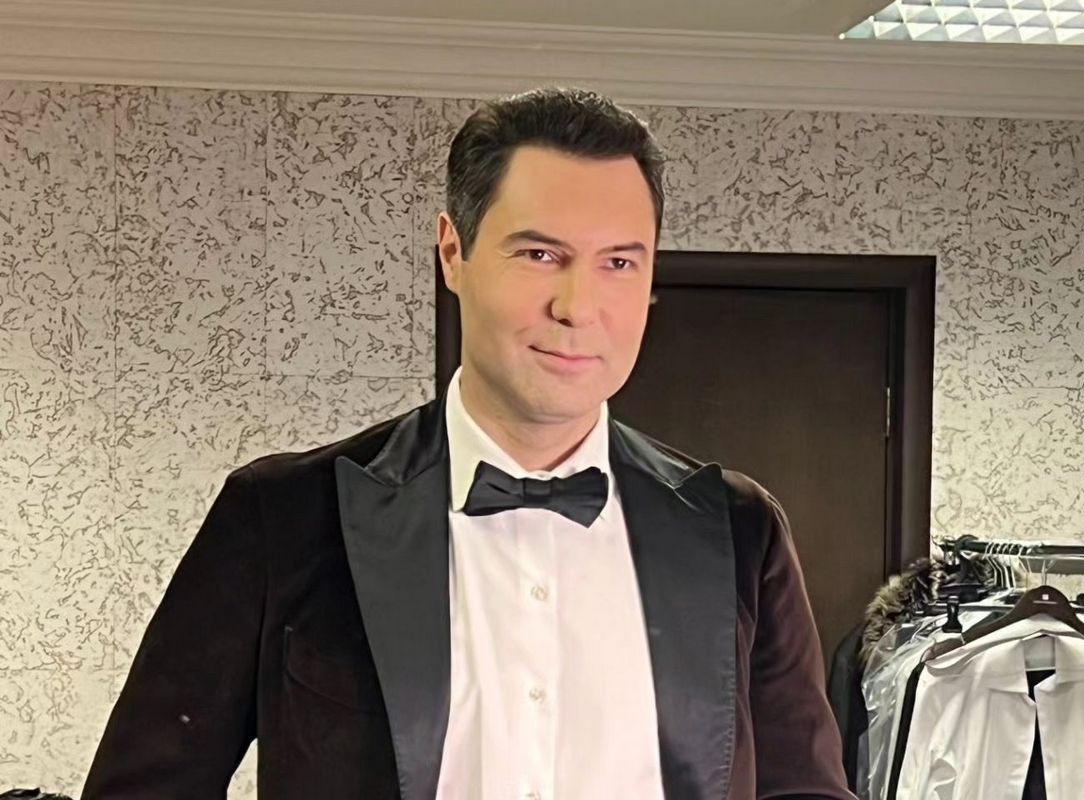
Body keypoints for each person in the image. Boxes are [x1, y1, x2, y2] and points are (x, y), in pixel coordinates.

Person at [82, 86, 852, 800]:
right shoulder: (280, 516)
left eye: (619, 262)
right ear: (454, 252)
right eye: (540, 255)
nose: (578, 306)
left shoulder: (738, 528)